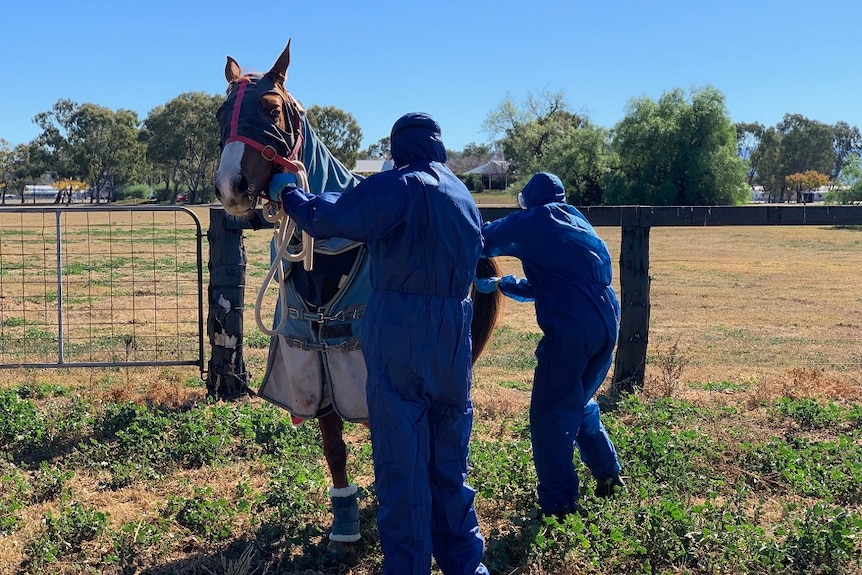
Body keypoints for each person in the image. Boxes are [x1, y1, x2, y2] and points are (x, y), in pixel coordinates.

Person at [271, 112, 489, 575]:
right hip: (454, 333)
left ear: (397, 149)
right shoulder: (463, 195)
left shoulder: (399, 186)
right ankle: (467, 566)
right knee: (449, 466)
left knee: (400, 468)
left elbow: (329, 217)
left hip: (401, 333)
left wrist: (287, 193)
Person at [475, 171, 624, 518]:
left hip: (572, 329)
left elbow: (481, 238)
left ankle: (559, 506)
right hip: (607, 320)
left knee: (550, 415)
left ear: (530, 200)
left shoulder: (534, 220)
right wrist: (503, 283)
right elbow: (553, 282)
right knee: (580, 400)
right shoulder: (576, 220)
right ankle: (608, 473)